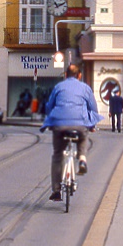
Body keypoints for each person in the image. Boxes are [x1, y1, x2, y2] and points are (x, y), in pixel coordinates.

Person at [42, 63, 101, 202]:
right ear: (79, 75)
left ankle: (56, 190)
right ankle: (82, 159)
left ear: (65, 75)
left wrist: (51, 120)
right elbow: (93, 108)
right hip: (79, 124)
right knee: (83, 137)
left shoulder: (58, 87)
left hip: (59, 125)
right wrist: (92, 125)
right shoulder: (85, 88)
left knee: (58, 154)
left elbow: (49, 106)